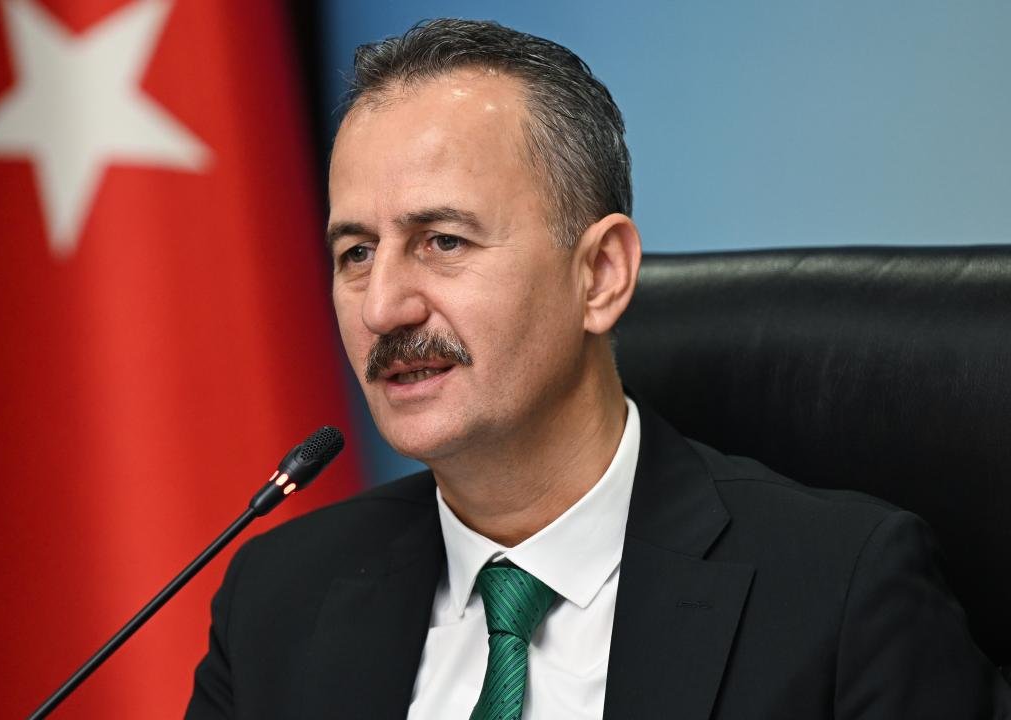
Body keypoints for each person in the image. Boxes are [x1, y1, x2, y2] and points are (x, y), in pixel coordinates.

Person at [186, 18, 1009, 719]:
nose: (382, 308)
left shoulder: (841, 594)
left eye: (443, 241)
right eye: (357, 253)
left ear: (601, 275)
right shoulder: (278, 599)